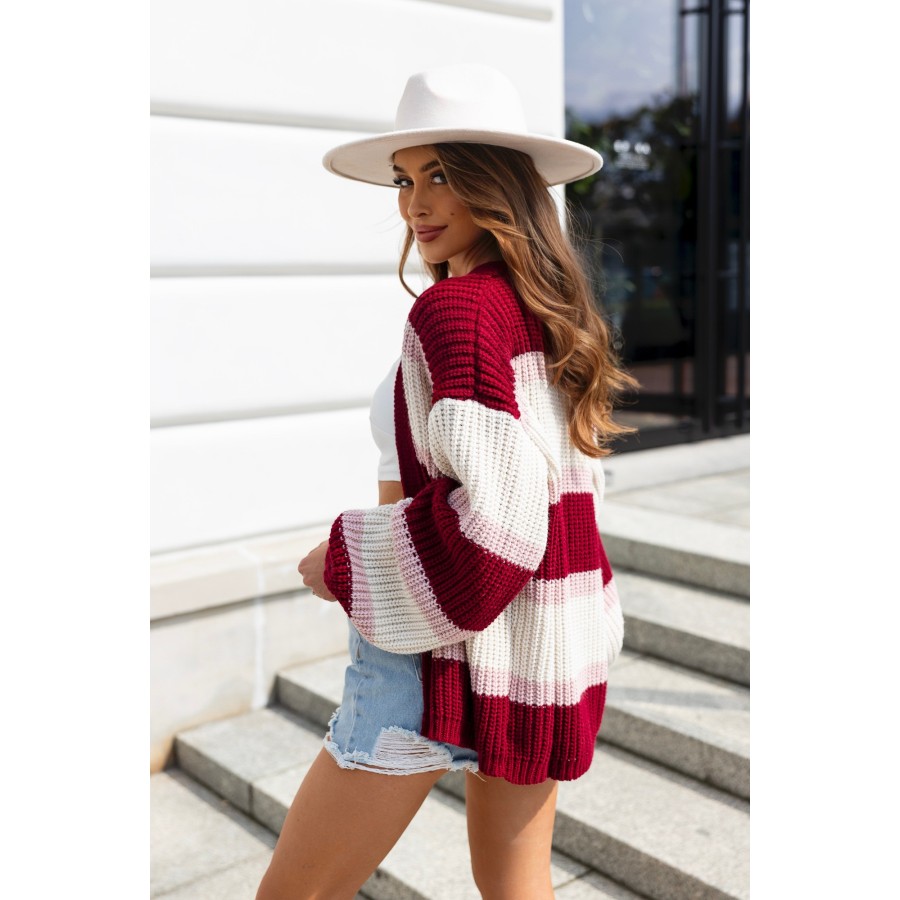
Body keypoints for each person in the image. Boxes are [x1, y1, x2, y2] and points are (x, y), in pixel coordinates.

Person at [256, 63, 638, 900]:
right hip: (540, 649)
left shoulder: (458, 312)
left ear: (499, 185)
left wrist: (343, 559)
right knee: (516, 886)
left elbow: (495, 531)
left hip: (431, 651)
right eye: (405, 179)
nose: (415, 204)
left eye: (442, 175)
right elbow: (559, 501)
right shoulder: (545, 310)